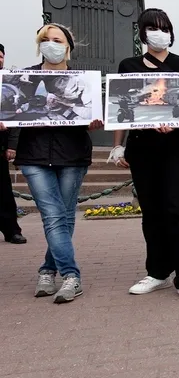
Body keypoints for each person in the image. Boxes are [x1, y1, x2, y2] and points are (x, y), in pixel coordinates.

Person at [110, 8, 179, 300]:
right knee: (151, 212)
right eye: (153, 27)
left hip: (178, 149)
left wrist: (178, 124)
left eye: (165, 27)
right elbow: (123, 108)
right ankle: (157, 272)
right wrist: (118, 145)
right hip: (143, 150)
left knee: (176, 207)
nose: (160, 33)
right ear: (142, 33)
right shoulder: (129, 65)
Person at [0, 23, 103, 303]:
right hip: (33, 155)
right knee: (54, 215)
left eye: (56, 39)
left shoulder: (83, 80)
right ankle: (71, 276)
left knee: (64, 216)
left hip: (72, 155)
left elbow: (89, 116)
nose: (50, 44)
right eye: (45, 39)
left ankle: (47, 269)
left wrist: (93, 122)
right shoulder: (24, 78)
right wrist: (7, 124)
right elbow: (16, 115)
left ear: (68, 45)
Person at [0, 43, 27, 245]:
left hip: (1, 146)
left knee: (3, 192)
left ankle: (11, 231)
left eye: (1, 56)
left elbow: (17, 118)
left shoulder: (11, 85)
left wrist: (12, 146)